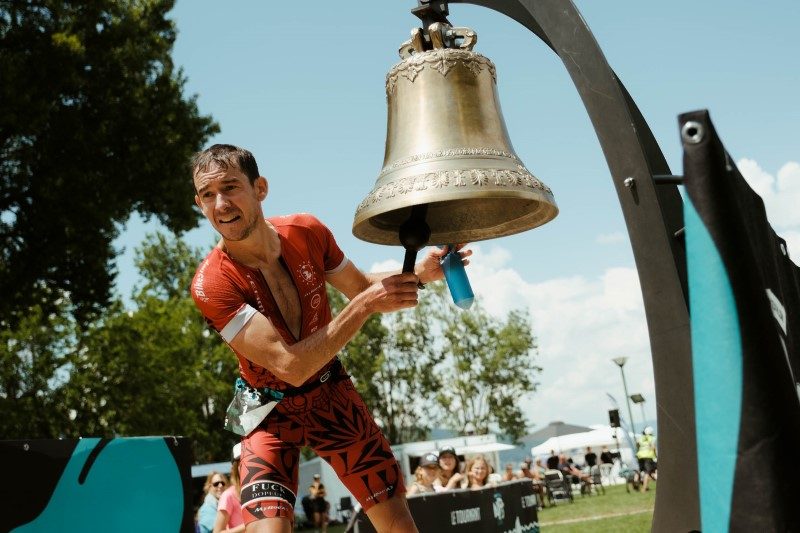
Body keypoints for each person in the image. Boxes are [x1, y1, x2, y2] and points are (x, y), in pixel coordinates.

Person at [190, 144, 470, 532]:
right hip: (266, 408)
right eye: (208, 194)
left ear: (260, 188)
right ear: (200, 203)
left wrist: (419, 275)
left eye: (230, 187)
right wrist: (365, 306)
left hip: (330, 394)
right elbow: (291, 365)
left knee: (397, 524)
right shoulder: (211, 283)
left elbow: (360, 287)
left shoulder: (307, 230)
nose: (220, 203)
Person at [214, 444, 244, 533]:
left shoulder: (260, 491)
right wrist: (248, 525)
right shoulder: (228, 496)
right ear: (234, 468)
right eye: (241, 462)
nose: (247, 465)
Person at [636, 426, 658, 492]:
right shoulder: (652, 438)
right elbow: (653, 448)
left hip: (640, 456)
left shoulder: (640, 438)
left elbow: (637, 445)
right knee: (647, 472)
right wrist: (656, 456)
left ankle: (636, 484)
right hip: (649, 456)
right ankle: (644, 488)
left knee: (641, 471)